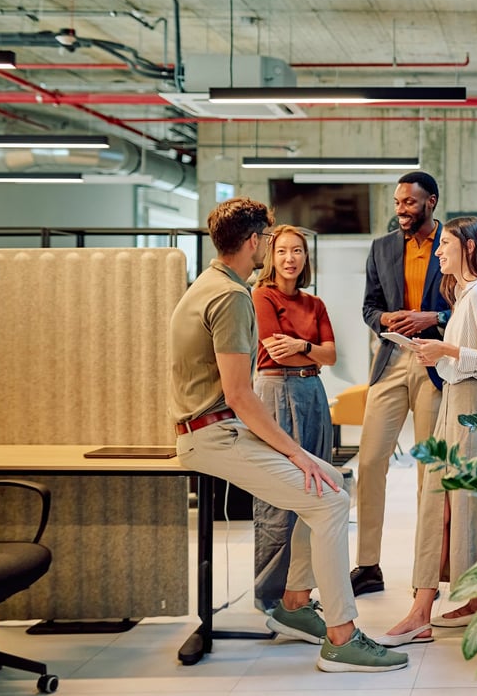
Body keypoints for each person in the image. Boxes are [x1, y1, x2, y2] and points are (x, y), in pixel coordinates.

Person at [168, 197, 406, 673]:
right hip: (212, 434)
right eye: (272, 245)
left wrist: (304, 456)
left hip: (214, 427)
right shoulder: (233, 296)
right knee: (330, 498)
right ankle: (342, 636)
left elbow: (324, 355)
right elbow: (241, 392)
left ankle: (297, 604)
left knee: (330, 485)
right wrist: (297, 453)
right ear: (255, 242)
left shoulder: (210, 284)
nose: (280, 255)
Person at [375, 216, 477, 648]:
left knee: (463, 506)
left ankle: (453, 604)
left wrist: (446, 349)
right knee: (441, 504)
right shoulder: (467, 296)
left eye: (446, 245)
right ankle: (435, 605)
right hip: (456, 402)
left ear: (469, 248)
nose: (438, 252)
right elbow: (468, 357)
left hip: (472, 405)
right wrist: (433, 354)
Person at [351, 171, 451, 597]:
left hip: (434, 363)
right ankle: (368, 566)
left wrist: (435, 318)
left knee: (430, 472)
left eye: (409, 203)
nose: (401, 210)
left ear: (431, 202)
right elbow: (369, 307)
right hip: (391, 361)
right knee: (371, 461)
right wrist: (386, 319)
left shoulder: (454, 244)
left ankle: (426, 576)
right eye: (397, 202)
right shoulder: (382, 248)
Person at [251, 224, 337, 613]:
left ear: (305, 258)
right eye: (283, 251)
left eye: (297, 252)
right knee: (276, 496)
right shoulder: (261, 296)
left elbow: (330, 356)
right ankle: (270, 597)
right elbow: (276, 352)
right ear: (272, 256)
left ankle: (298, 592)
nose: (290, 258)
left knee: (314, 488)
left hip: (312, 394)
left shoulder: (314, 304)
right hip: (275, 391)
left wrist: (303, 345)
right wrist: (311, 350)